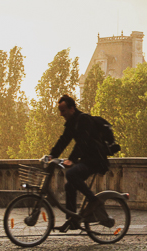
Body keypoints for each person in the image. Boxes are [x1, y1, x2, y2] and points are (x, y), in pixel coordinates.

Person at [48, 94, 109, 230]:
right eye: (60, 110)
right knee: (70, 186)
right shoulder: (72, 123)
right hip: (87, 160)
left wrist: (72, 159)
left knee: (71, 174)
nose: (60, 114)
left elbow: (83, 141)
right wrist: (51, 155)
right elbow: (63, 140)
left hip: (96, 160)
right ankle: (73, 219)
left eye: (63, 110)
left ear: (72, 109)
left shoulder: (84, 119)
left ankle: (94, 201)